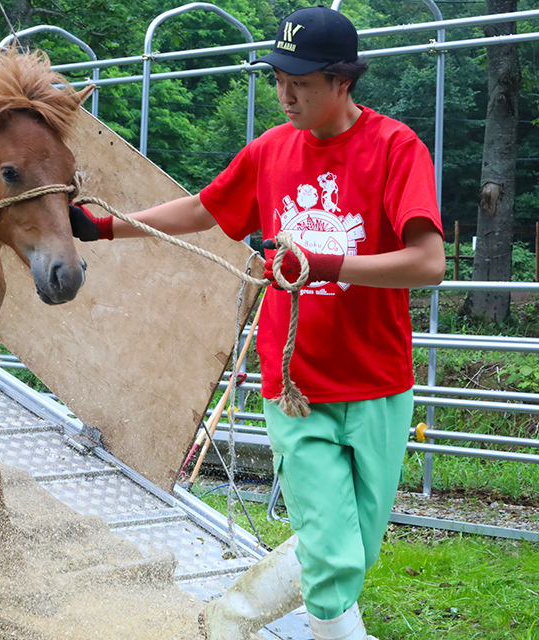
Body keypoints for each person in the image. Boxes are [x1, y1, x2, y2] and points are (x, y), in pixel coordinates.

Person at [69, 6, 446, 640]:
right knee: (334, 554)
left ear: (342, 80)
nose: (285, 94)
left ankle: (225, 618)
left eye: (300, 81)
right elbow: (202, 210)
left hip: (380, 380)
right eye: (278, 78)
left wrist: (328, 261)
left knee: (351, 552)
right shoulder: (270, 151)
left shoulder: (394, 147)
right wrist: (106, 226)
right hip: (295, 383)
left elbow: (429, 264)